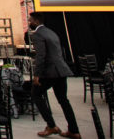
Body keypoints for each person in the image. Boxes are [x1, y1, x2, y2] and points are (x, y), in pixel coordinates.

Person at [28, 11, 81, 139]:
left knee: (35, 94)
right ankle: (74, 130)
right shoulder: (51, 32)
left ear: (36, 21)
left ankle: (51, 125)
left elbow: (41, 56)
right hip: (61, 70)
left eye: (30, 21)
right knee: (63, 100)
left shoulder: (37, 35)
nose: (29, 23)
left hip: (49, 72)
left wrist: (36, 75)